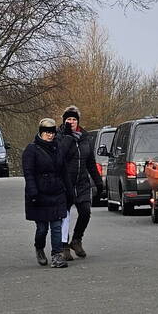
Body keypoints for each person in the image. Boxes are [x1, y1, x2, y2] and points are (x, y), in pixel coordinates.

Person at [56, 106, 104, 260]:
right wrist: (68, 137)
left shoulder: (85, 137)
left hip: (82, 182)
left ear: (78, 121)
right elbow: (61, 155)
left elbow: (90, 162)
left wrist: (98, 181)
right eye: (68, 119)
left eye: (74, 119)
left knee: (85, 212)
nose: (71, 122)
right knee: (65, 215)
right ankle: (63, 245)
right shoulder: (59, 136)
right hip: (65, 182)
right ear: (64, 121)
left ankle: (76, 240)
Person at [22, 118, 70, 268]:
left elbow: (64, 171)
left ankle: (57, 255)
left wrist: (69, 191)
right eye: (47, 132)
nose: (50, 135)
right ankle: (39, 248)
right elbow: (28, 173)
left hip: (56, 192)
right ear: (41, 133)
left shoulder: (58, 148)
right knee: (42, 228)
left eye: (52, 132)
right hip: (39, 194)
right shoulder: (31, 150)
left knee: (56, 226)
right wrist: (33, 192)